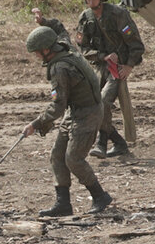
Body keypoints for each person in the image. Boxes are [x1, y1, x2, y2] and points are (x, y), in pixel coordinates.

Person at [23, 26, 112, 216]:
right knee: (57, 155)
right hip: (76, 111)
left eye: (37, 52)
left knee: (74, 159)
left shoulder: (59, 68)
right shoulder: (65, 48)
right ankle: (63, 204)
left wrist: (35, 124)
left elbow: (57, 107)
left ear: (46, 49)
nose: (37, 56)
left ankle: (100, 196)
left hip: (88, 114)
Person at [75, 0, 144, 158]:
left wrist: (128, 65)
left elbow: (136, 45)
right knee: (93, 106)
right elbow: (83, 49)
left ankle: (102, 143)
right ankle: (119, 142)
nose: (90, 2)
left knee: (103, 103)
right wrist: (102, 56)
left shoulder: (118, 15)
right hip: (98, 69)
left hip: (117, 70)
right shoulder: (86, 18)